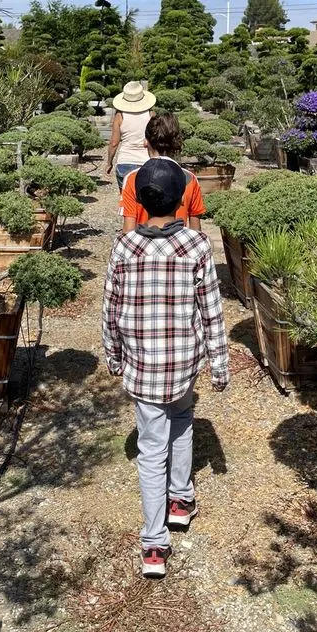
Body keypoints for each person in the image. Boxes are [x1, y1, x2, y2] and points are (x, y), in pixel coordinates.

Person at [102, 158, 229, 578]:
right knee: (184, 419)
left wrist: (113, 355)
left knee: (150, 447)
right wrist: (219, 361)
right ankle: (181, 500)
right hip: (182, 362)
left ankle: (154, 544)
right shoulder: (196, 246)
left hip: (142, 363)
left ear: (137, 198)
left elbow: (111, 307)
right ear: (181, 202)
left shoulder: (124, 247)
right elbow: (211, 309)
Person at [119, 113, 205, 234]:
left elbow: (128, 229)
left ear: (145, 142)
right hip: (179, 247)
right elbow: (196, 229)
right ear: (176, 143)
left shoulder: (133, 178)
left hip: (142, 247)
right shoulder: (189, 178)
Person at [106, 81, 156, 191]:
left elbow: (114, 143)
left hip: (125, 161)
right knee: (146, 202)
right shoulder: (151, 115)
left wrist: (109, 162)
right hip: (146, 162)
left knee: (126, 200)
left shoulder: (120, 116)